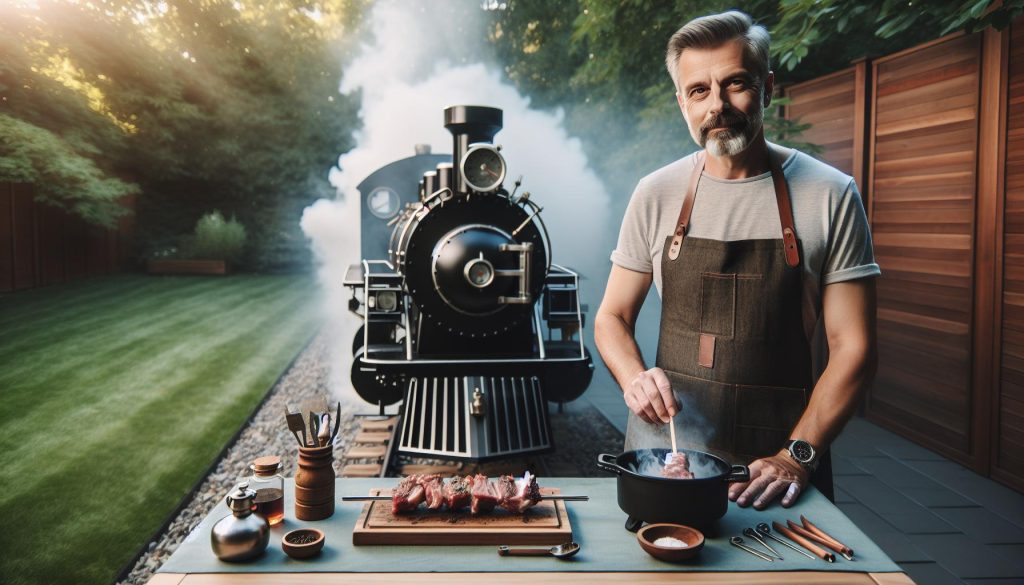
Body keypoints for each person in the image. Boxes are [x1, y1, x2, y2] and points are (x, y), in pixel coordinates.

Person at [594, 10, 879, 510]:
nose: (718, 106)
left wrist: (797, 455)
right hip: (667, 457)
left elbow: (853, 347)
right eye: (699, 90)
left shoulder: (830, 194)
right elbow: (612, 318)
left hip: (779, 463)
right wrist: (634, 377)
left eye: (736, 84)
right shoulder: (655, 193)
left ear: (767, 86)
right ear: (682, 101)